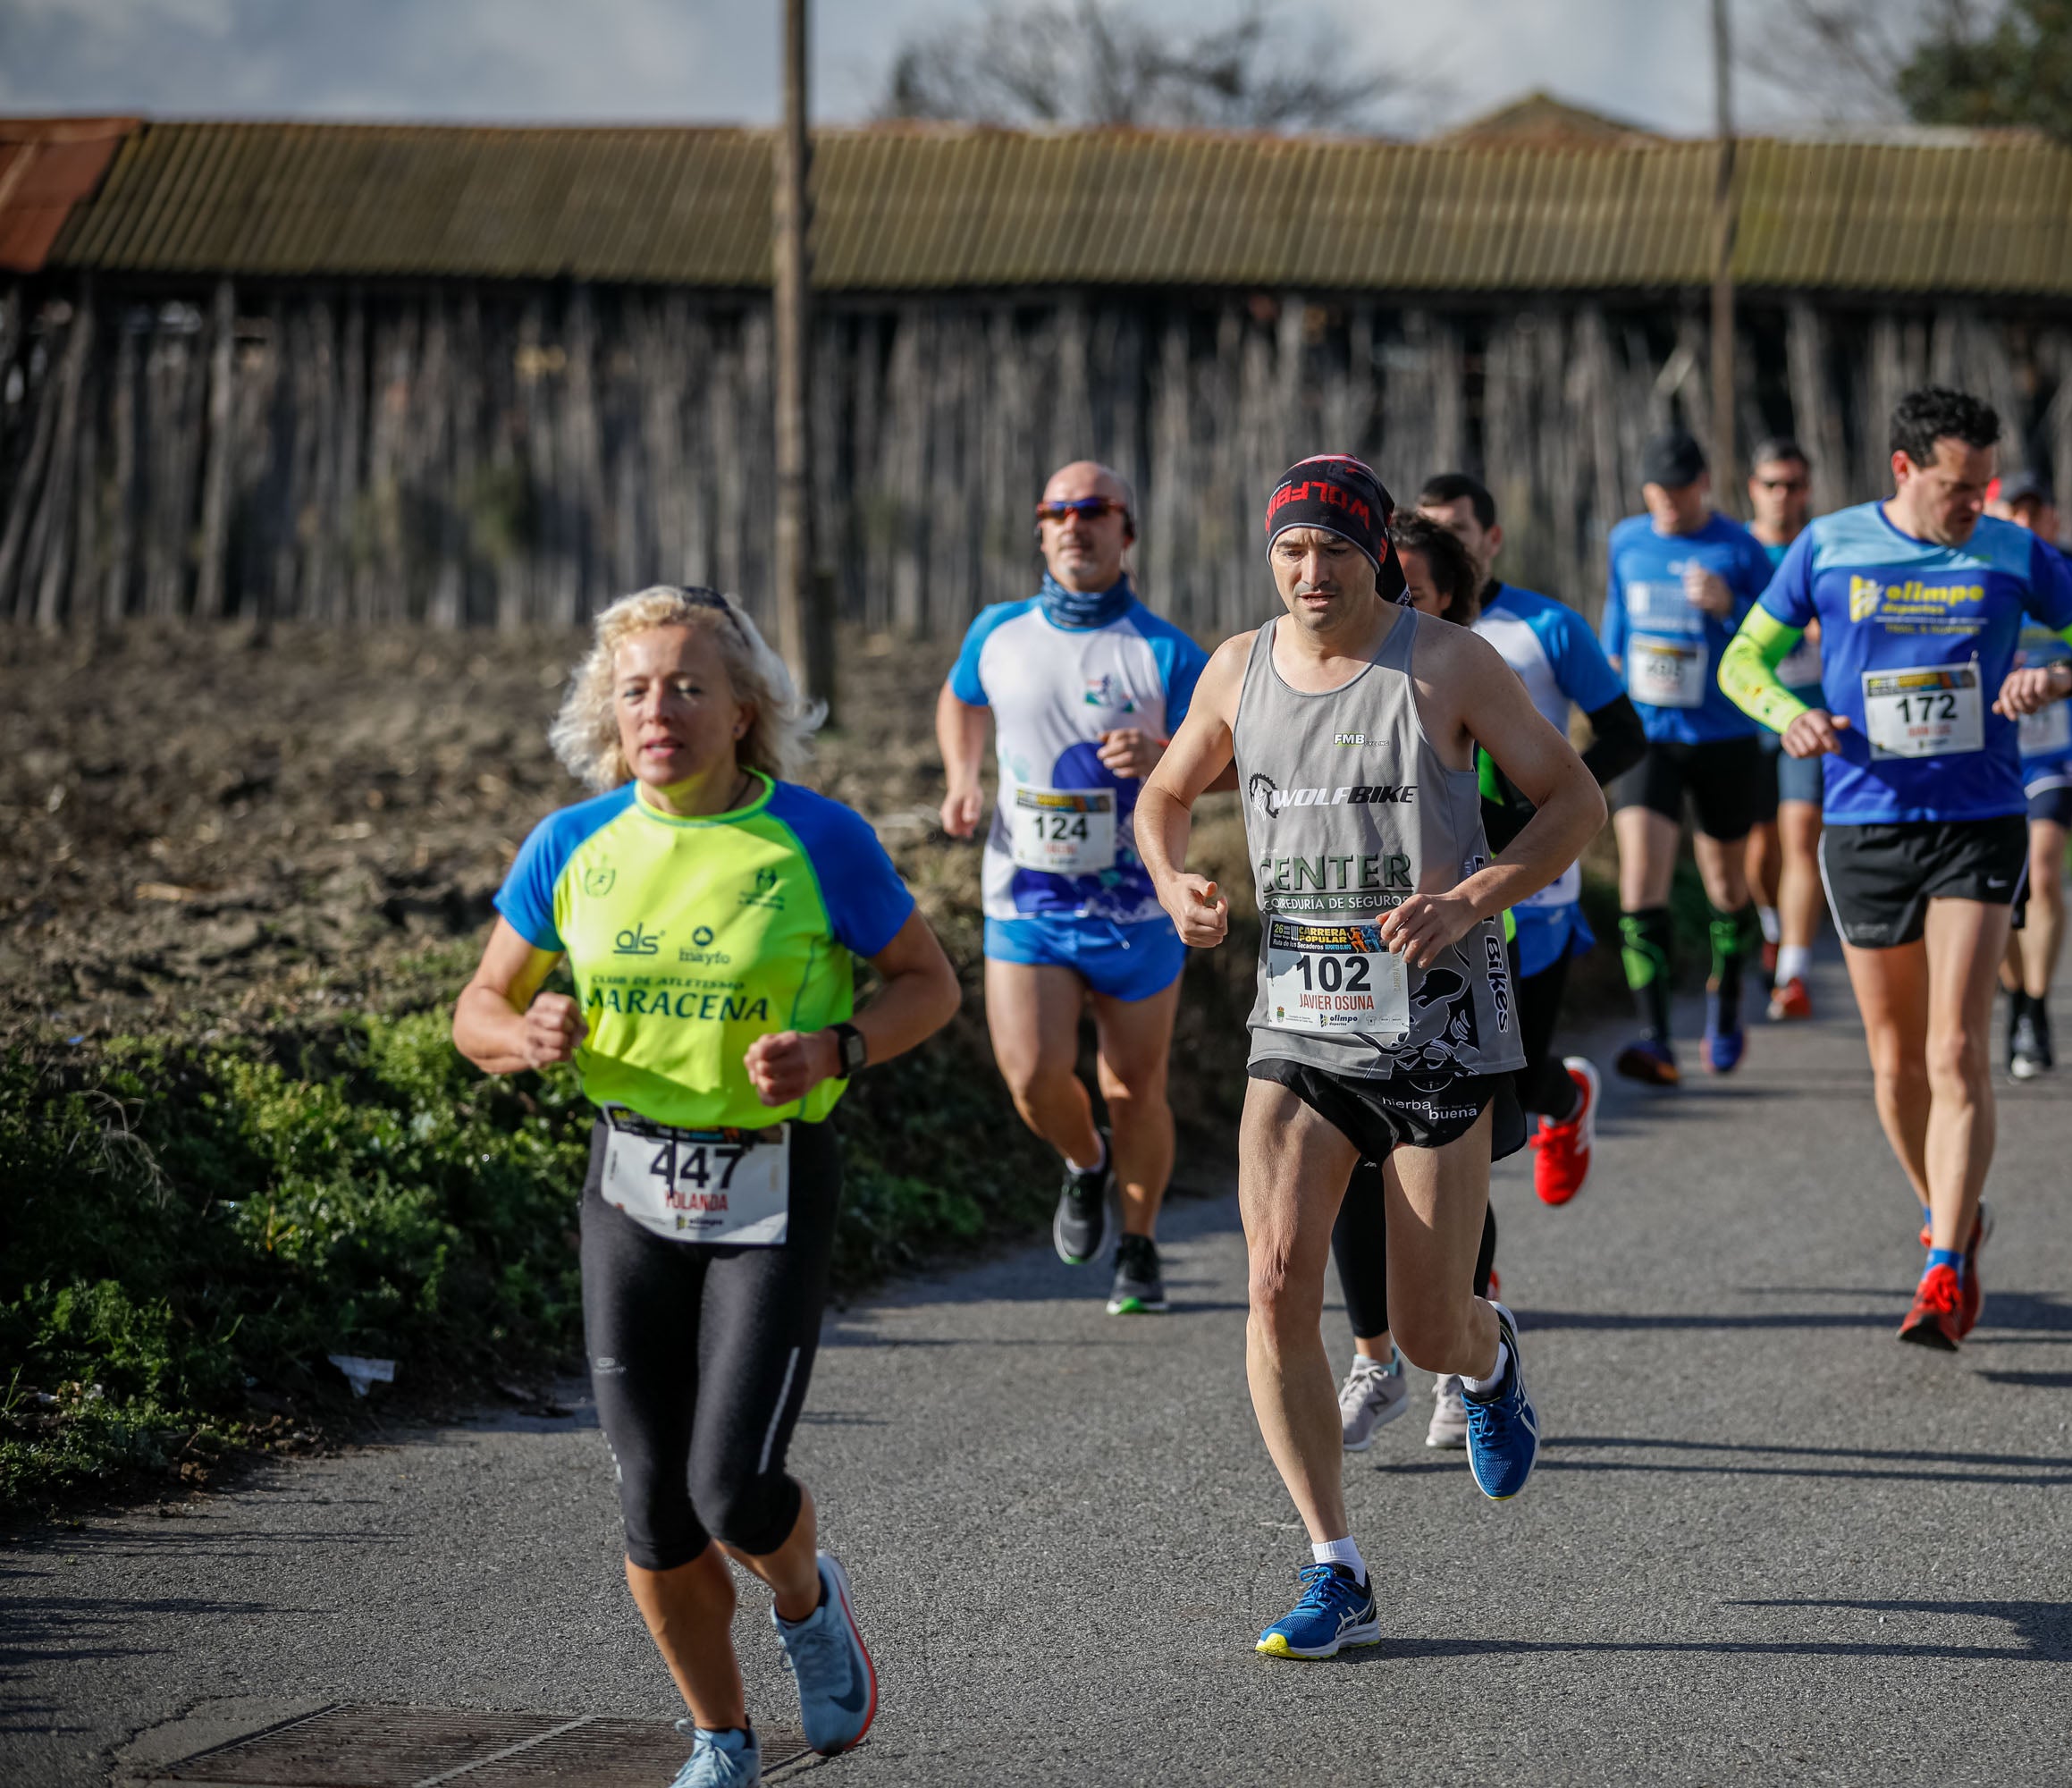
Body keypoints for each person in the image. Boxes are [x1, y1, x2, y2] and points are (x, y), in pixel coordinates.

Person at [454, 586, 961, 1788]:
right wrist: (523, 1037)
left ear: (744, 710)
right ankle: (721, 1740)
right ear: (607, 712)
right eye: (634, 688)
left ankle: (805, 1598)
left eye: (687, 685)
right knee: (652, 1505)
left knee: (729, 1486)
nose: (657, 709)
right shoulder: (570, 846)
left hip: (769, 1185)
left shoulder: (817, 838)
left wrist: (837, 1050)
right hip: (629, 1185)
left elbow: (926, 984)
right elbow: (478, 1006)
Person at [1136, 455, 1605, 1659]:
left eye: (1332, 551)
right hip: (1297, 1025)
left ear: (1378, 555)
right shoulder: (1239, 667)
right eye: (1289, 552)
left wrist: (1475, 896)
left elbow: (1574, 803)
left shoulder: (1446, 663)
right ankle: (1332, 1563)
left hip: (1438, 1023)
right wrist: (1173, 878)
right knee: (1277, 1278)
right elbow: (1165, 793)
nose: (1308, 572)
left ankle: (1490, 1364)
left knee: (1429, 1323)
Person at [1720, 387, 2072, 1349]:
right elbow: (1743, 658)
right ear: (1905, 470)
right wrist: (1782, 713)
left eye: (1986, 486)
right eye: (1959, 487)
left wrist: (2063, 674)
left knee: (1955, 1048)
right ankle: (1952, 1210)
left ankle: (1945, 1263)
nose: (1975, 505)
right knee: (1894, 1061)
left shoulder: (2014, 550)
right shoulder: (1828, 545)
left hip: (1980, 819)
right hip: (1865, 823)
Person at [1331, 510, 1640, 1455]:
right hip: (1338, 969)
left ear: (1448, 598)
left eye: (1412, 588)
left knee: (1454, 1168)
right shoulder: (1324, 677)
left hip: (1473, 955)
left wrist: (1475, 882)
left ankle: (1465, 1346)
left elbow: (1569, 793)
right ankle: (1376, 1357)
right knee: (1352, 1161)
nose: (1392, 601)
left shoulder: (1471, 677)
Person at [937, 462, 1208, 1313]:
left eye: (1093, 510)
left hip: (1137, 907)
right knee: (1031, 1077)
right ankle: (1084, 1163)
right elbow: (959, 697)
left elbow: (1241, 758)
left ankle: (1140, 1245)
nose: (1072, 525)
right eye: (1056, 512)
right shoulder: (1000, 631)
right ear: (1042, 531)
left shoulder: (1164, 651)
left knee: (1136, 1089)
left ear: (1127, 532)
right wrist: (963, 775)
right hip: (1028, 900)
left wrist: (1168, 757)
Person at [1413, 470, 1644, 1204]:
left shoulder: (1546, 627)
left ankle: (1565, 1101)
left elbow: (1625, 736)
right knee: (1453, 1082)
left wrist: (1540, 811)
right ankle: (1466, 1271)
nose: (1439, 547)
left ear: (1492, 539)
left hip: (1533, 883)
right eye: (1426, 532)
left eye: (1455, 531)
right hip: (1436, 888)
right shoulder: (1398, 632)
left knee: (1511, 1072)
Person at [1600, 427, 1780, 1082]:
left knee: (1727, 887)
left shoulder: (1739, 548)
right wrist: (1610, 677)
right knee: (1639, 881)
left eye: (1678, 491)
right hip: (1649, 737)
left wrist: (1729, 606)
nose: (1667, 504)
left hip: (1725, 739)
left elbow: (1775, 636)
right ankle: (1655, 1037)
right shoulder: (1627, 539)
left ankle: (1727, 1002)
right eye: (1656, 492)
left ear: (1703, 483)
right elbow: (1616, 617)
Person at [1989, 473, 2072, 1079]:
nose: (2028, 522)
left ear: (2054, 519)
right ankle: (2015, 997)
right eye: (2016, 510)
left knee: (2042, 872)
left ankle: (2035, 1003)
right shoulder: (1972, 570)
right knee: (2006, 889)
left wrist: (2069, 676)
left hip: (2057, 748)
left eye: (2038, 511)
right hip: (1991, 754)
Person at [1738, 438, 1827, 1018]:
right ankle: (1771, 927)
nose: (1783, 495)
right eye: (1772, 483)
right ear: (1754, 487)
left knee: (1802, 839)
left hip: (1808, 715)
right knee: (1758, 849)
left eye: (1793, 484)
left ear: (1807, 489)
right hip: (1745, 717)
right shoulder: (1736, 550)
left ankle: (1794, 973)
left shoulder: (1824, 549)